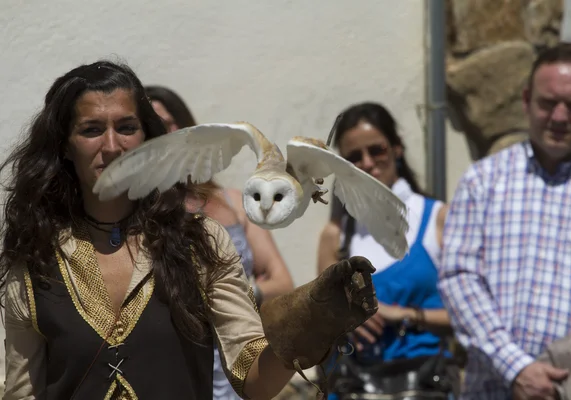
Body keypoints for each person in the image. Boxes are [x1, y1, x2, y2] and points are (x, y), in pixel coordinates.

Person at [0, 60, 378, 400]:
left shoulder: (200, 241)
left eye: (127, 127)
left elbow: (253, 379)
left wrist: (308, 327)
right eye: (91, 130)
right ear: (65, 146)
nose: (112, 146)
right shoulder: (35, 258)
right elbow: (22, 393)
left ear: (148, 137)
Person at [438, 41, 571, 400]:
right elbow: (459, 279)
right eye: (547, 102)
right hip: (491, 389)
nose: (559, 117)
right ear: (526, 100)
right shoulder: (484, 180)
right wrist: (516, 367)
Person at [145, 85, 294, 400]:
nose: (164, 133)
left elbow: (282, 282)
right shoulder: (143, 215)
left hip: (242, 362)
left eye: (170, 123)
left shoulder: (234, 203)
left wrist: (223, 294)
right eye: (152, 125)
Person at [317, 102, 457, 399]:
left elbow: (467, 315)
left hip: (423, 383)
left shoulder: (437, 219)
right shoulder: (337, 235)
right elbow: (318, 322)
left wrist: (403, 314)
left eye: (376, 150)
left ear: (397, 149)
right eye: (354, 157)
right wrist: (345, 321)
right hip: (354, 385)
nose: (367, 163)